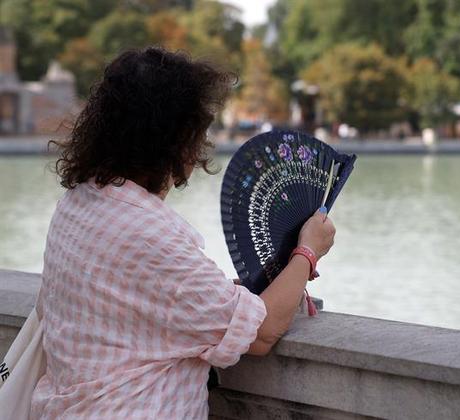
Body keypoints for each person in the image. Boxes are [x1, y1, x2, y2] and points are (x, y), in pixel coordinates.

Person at [31, 47, 336, 419]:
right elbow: (262, 332)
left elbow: (141, 298)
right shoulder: (148, 233)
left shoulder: (77, 203)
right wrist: (307, 252)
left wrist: (228, 291)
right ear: (178, 139)